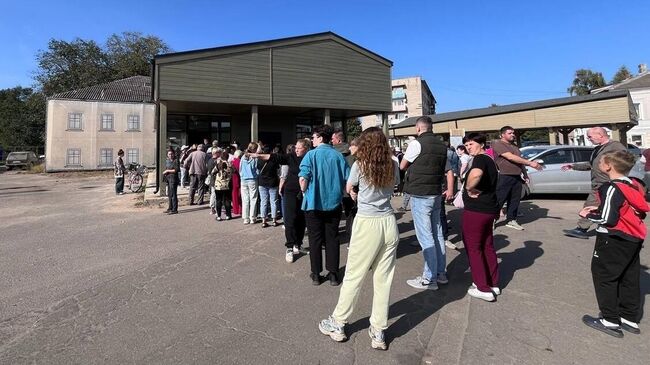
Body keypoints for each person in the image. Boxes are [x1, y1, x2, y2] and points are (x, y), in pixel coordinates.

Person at [318, 127, 400, 351]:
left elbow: (350, 187)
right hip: (389, 222)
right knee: (384, 279)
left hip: (367, 222)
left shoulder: (360, 164)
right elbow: (394, 188)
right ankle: (378, 330)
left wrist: (355, 194)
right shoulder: (392, 164)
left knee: (354, 274)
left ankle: (338, 322)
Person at [579, 150, 649, 337]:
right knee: (629, 277)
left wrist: (589, 213)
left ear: (608, 166)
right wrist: (600, 207)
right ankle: (628, 318)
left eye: (601, 161)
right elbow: (631, 209)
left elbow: (607, 218)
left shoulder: (611, 187)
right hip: (633, 237)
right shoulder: (633, 184)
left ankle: (609, 320)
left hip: (613, 238)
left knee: (604, 277)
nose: (599, 163)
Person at [400, 116, 454, 290]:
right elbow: (448, 170)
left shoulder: (416, 144)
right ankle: (440, 273)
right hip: (436, 193)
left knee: (425, 236)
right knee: (437, 234)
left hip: (420, 194)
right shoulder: (441, 146)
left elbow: (402, 165)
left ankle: (428, 278)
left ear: (418, 129)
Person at [299, 125, 350, 286]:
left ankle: (316, 274)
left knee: (315, 239)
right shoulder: (338, 156)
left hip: (313, 203)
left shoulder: (310, 155)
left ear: (320, 138)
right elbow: (348, 179)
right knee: (332, 238)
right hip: (334, 203)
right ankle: (333, 274)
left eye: (313, 137)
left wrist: (304, 188)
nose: (312, 140)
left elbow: (303, 180)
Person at [562, 127, 628, 239]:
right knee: (603, 207)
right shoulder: (598, 149)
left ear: (600, 135)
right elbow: (591, 164)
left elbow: (625, 163)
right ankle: (612, 229)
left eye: (590, 136)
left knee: (590, 206)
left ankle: (581, 229)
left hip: (607, 184)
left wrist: (616, 179)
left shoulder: (615, 146)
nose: (588, 138)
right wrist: (573, 166)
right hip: (598, 184)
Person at [254, 140, 311, 262]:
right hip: (290, 191)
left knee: (301, 219)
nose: (296, 150)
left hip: (305, 192)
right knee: (290, 219)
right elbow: (274, 157)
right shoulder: (291, 157)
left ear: (306, 148)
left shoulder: (310, 157)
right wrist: (257, 155)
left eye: (299, 148)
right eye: (296, 147)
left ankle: (298, 244)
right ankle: (289, 247)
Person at [461, 133, 501, 302]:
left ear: (481, 144)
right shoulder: (491, 160)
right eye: (467, 145)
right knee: (487, 246)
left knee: (474, 248)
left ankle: (482, 286)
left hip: (476, 210)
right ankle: (493, 283)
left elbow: (476, 175)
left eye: (471, 144)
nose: (468, 147)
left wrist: (469, 187)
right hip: (489, 208)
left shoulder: (480, 159)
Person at [491, 126, 542, 231]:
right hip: (504, 175)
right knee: (500, 199)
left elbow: (520, 160)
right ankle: (491, 220)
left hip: (516, 176)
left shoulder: (514, 145)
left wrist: (525, 174)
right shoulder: (498, 143)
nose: (512, 135)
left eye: (513, 133)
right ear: (502, 135)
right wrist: (531, 163)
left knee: (515, 200)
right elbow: (510, 157)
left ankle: (511, 219)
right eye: (509, 133)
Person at [257, 145, 281, 228]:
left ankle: (264, 220)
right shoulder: (274, 160)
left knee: (263, 201)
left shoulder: (259, 160)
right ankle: (274, 220)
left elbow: (258, 169)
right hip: (272, 182)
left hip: (262, 182)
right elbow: (278, 170)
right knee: (273, 201)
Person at [240, 142, 259, 224]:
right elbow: (257, 169)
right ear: (254, 149)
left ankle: (245, 218)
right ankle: (252, 217)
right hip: (252, 179)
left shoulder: (243, 157)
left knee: (245, 199)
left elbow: (240, 169)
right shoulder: (254, 158)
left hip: (244, 179)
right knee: (253, 199)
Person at [212, 151, 233, 221]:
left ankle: (218, 216)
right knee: (227, 200)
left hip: (218, 185)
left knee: (218, 201)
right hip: (227, 185)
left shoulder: (218, 165)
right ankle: (228, 215)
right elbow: (232, 173)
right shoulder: (229, 165)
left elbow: (212, 173)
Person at [162, 149, 180, 215]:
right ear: (167, 155)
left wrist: (167, 171)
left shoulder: (176, 160)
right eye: (169, 154)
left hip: (174, 179)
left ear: (174, 154)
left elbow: (176, 170)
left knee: (173, 194)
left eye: (172, 154)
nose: (171, 155)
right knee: (169, 194)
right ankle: (170, 208)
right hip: (169, 179)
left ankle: (174, 209)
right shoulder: (167, 161)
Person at [207, 150, 220, 215]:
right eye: (219, 152)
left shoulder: (209, 160)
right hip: (216, 179)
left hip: (212, 179)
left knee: (213, 194)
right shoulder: (215, 161)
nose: (220, 154)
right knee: (215, 195)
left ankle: (212, 208)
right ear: (216, 153)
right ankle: (214, 209)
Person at [231, 150, 243, 217]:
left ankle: (235, 209)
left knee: (234, 196)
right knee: (240, 196)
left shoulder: (231, 162)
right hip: (238, 180)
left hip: (233, 180)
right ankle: (240, 210)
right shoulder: (239, 162)